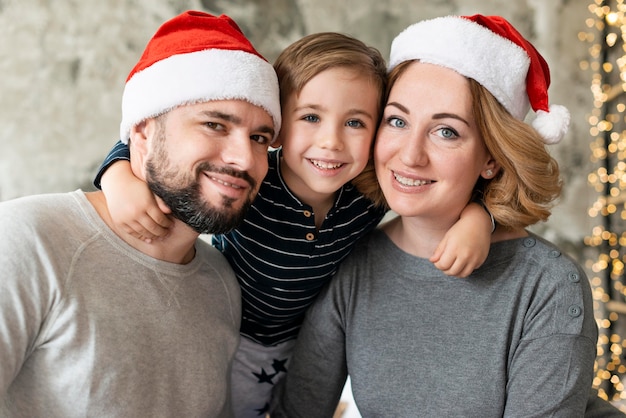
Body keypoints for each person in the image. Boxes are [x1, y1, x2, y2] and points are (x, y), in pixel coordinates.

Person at [93, 31, 495, 417]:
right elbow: (141, 132)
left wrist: (479, 218)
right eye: (311, 117)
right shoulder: (254, 177)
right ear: (278, 124)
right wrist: (118, 178)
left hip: (299, 347)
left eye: (355, 123)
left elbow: (456, 186)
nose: (332, 142)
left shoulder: (371, 191)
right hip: (219, 331)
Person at [269, 15, 612, 417]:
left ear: (491, 157)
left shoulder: (547, 284)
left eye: (446, 131)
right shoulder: (352, 258)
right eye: (397, 121)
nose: (410, 155)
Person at [0, 10, 282, 417]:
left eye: (259, 138)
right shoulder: (27, 241)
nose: (245, 158)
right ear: (143, 134)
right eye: (215, 125)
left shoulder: (221, 281)